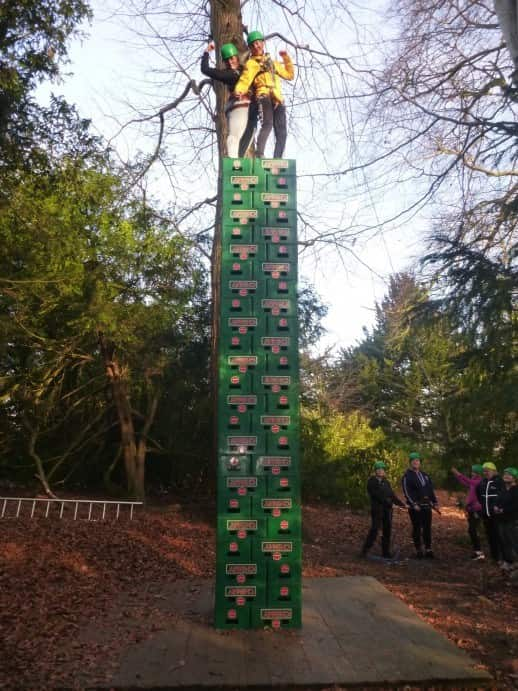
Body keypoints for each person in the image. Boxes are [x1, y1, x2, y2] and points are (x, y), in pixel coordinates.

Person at [233, 30, 294, 158]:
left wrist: (286, 58)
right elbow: (245, 80)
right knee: (267, 123)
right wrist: (239, 90)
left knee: (282, 131)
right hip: (263, 95)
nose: (256, 47)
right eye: (253, 45)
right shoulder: (251, 64)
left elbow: (289, 75)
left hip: (277, 98)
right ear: (250, 48)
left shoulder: (273, 63)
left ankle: (277, 158)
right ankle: (259, 153)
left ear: (263, 43)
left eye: (258, 43)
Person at [200, 41, 256, 157]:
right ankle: (233, 161)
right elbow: (205, 69)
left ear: (236, 57)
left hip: (251, 106)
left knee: (249, 133)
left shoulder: (245, 68)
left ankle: (239, 160)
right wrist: (207, 52)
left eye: (232, 59)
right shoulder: (227, 74)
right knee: (235, 134)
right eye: (227, 61)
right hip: (238, 105)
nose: (230, 62)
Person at [361, 461, 405, 559]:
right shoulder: (371, 482)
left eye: (382, 469)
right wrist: (390, 504)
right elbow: (378, 496)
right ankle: (365, 550)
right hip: (377, 510)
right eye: (379, 469)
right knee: (375, 529)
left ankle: (385, 552)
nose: (381, 471)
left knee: (387, 530)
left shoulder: (386, 482)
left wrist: (402, 505)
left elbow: (392, 495)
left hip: (388, 511)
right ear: (375, 471)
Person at [402, 452, 440, 558]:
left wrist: (435, 502)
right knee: (417, 528)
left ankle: (428, 549)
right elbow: (406, 492)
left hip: (426, 506)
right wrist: (413, 504)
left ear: (420, 462)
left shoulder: (425, 475)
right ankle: (418, 549)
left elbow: (430, 490)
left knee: (427, 528)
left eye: (417, 460)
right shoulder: (407, 476)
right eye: (413, 460)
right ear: (410, 463)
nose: (416, 462)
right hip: (415, 507)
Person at [451, 464, 485, 560]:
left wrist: (458, 473)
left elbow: (467, 481)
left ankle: (479, 552)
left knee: (472, 530)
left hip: (477, 510)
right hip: (471, 510)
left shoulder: (479, 481)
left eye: (473, 472)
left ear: (477, 473)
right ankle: (477, 551)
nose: (472, 473)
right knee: (471, 530)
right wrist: (457, 476)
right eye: (472, 472)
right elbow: (464, 482)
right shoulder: (474, 482)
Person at [476, 461, 506, 563]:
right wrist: (484, 508)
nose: (485, 473)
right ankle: (495, 558)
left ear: (494, 471)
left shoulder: (500, 482)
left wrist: (498, 507)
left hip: (497, 515)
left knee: (499, 537)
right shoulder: (482, 482)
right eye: (484, 471)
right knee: (490, 536)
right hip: (486, 515)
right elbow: (479, 495)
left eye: (487, 471)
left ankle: (503, 558)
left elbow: (505, 496)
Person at [494, 467, 518, 572]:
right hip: (501, 519)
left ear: (514, 478)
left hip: (512, 519)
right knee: (503, 540)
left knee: (512, 540)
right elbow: (497, 500)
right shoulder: (503, 489)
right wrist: (495, 507)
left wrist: (503, 510)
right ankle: (508, 561)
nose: (506, 476)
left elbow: (515, 505)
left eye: (509, 474)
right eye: (505, 474)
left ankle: (514, 561)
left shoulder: (516, 490)